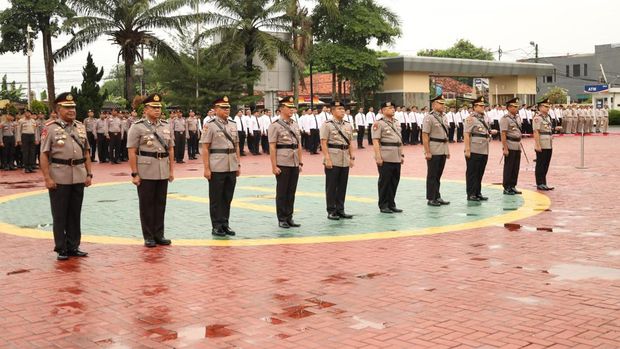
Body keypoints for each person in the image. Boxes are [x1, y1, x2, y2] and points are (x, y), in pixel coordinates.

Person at [39, 92, 93, 260]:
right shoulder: (51, 128)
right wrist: (47, 178)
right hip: (59, 176)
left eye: (73, 107)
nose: (72, 110)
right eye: (68, 107)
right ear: (58, 109)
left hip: (78, 174)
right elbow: (44, 154)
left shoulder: (80, 127)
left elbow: (87, 152)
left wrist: (89, 173)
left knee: (75, 213)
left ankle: (74, 245)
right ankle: (61, 247)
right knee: (60, 213)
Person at [127, 93, 174, 247]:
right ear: (146, 109)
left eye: (159, 107)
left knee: (161, 203)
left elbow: (171, 149)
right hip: (146, 169)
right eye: (154, 107)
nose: (157, 110)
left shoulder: (166, 125)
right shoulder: (137, 126)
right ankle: (148, 236)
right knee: (147, 204)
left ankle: (159, 234)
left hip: (162, 168)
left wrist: (171, 171)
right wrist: (134, 173)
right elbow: (132, 150)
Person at [201, 96, 241, 237]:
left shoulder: (233, 124)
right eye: (224, 108)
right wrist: (206, 168)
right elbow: (205, 147)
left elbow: (236, 145)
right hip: (217, 166)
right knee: (216, 198)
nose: (227, 110)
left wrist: (238, 164)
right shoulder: (210, 125)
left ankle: (225, 223)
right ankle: (216, 225)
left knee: (227, 197)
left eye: (228, 107)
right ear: (216, 109)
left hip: (231, 165)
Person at [268, 96, 303, 228]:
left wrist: (300, 162)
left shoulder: (295, 124)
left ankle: (289, 217)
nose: (292, 109)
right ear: (281, 109)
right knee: (282, 192)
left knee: (291, 191)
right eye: (289, 107)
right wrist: (274, 165)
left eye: (292, 107)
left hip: (294, 161)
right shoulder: (275, 125)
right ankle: (282, 218)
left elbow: (298, 144)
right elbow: (272, 146)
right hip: (282, 161)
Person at [320, 100, 355, 220]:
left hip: (344, 157)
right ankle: (331, 210)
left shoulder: (348, 124)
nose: (342, 111)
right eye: (339, 109)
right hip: (333, 157)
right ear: (332, 111)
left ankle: (340, 209)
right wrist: (327, 158)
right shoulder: (327, 124)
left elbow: (350, 142)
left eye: (343, 109)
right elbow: (323, 143)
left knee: (342, 185)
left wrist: (352, 157)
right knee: (331, 186)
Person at [372, 101, 404, 213]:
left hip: (396, 155)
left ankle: (391, 203)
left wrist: (402, 154)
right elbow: (376, 140)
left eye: (393, 108)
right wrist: (378, 156)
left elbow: (399, 140)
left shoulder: (396, 122)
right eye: (390, 108)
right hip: (385, 155)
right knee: (385, 181)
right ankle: (383, 204)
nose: (393, 109)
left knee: (394, 180)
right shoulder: (378, 123)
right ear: (383, 110)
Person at [464, 96, 497, 201]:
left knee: (480, 172)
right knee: (472, 172)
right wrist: (467, 149)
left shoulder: (484, 118)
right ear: (475, 107)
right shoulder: (471, 119)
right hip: (474, 148)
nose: (483, 107)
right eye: (481, 105)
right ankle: (471, 193)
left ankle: (478, 192)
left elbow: (484, 131)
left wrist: (491, 132)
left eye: (484, 105)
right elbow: (466, 134)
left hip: (484, 148)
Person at [422, 95, 450, 206]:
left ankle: (437, 196)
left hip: (442, 148)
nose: (443, 105)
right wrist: (427, 151)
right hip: (433, 148)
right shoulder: (429, 117)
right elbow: (425, 135)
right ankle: (431, 198)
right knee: (432, 174)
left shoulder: (444, 117)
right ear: (434, 105)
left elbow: (445, 135)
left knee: (438, 175)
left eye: (443, 103)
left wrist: (447, 151)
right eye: (440, 103)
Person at [533, 98, 561, 191]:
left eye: (548, 106)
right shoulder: (538, 118)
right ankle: (539, 183)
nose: (548, 108)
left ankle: (544, 182)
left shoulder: (547, 117)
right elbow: (536, 132)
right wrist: (537, 145)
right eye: (545, 106)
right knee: (540, 164)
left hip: (549, 142)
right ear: (540, 107)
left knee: (546, 164)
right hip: (542, 143)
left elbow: (548, 129)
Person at [500, 97, 523, 195]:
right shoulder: (505, 119)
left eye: (517, 107)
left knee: (515, 167)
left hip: (517, 144)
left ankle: (513, 185)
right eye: (514, 107)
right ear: (509, 108)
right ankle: (507, 187)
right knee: (509, 167)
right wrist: (505, 148)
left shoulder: (517, 118)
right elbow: (503, 134)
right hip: (509, 144)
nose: (516, 109)